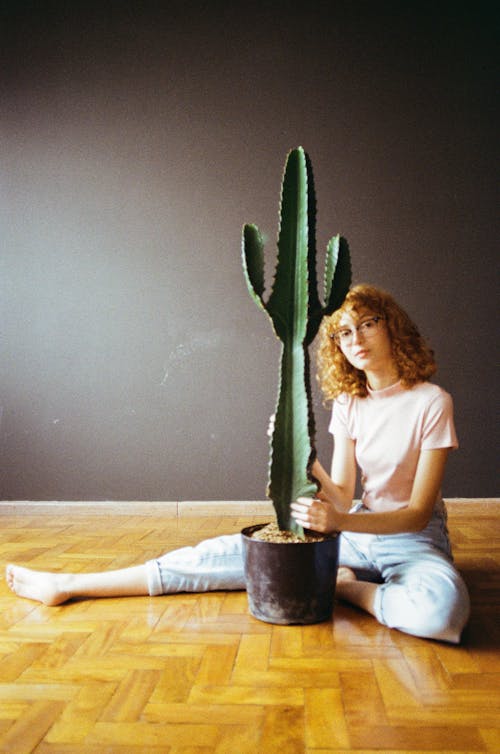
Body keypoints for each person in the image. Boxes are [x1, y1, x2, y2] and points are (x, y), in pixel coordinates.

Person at [5, 284, 470, 643]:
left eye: (367, 324)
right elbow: (344, 493)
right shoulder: (349, 403)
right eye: (343, 332)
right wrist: (307, 463)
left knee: (441, 614)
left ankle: (344, 588)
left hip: (412, 538)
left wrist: (341, 525)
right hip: (358, 527)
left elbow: (417, 512)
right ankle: (71, 584)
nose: (355, 339)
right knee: (230, 554)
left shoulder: (432, 402)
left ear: (392, 326)